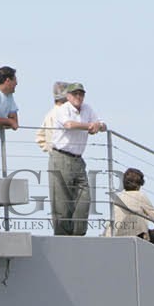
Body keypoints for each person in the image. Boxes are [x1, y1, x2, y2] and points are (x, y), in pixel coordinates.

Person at [48, 83, 105, 236]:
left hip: (78, 159)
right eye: (75, 94)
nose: (78, 97)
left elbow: (101, 124)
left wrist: (97, 126)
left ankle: (78, 234)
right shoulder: (63, 110)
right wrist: (89, 126)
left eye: (81, 94)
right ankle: (62, 237)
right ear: (68, 96)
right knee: (62, 202)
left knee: (84, 198)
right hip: (62, 156)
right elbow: (69, 124)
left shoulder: (87, 108)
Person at [107, 168, 154, 254]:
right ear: (139, 185)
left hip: (118, 238)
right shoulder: (140, 196)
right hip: (138, 238)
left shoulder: (119, 197)